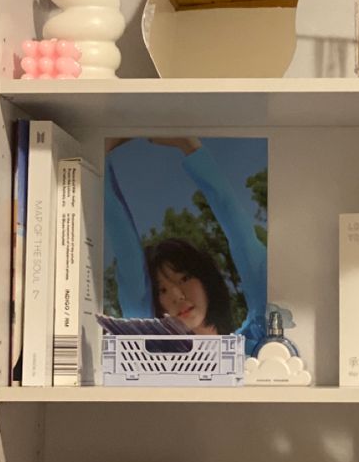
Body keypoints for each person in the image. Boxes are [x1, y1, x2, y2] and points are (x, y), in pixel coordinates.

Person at [105, 136, 267, 353]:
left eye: (184, 278)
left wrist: (190, 146)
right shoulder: (150, 352)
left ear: (206, 281)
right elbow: (128, 255)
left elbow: (244, 242)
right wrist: (100, 158)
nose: (176, 295)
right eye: (162, 289)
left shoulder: (255, 341)